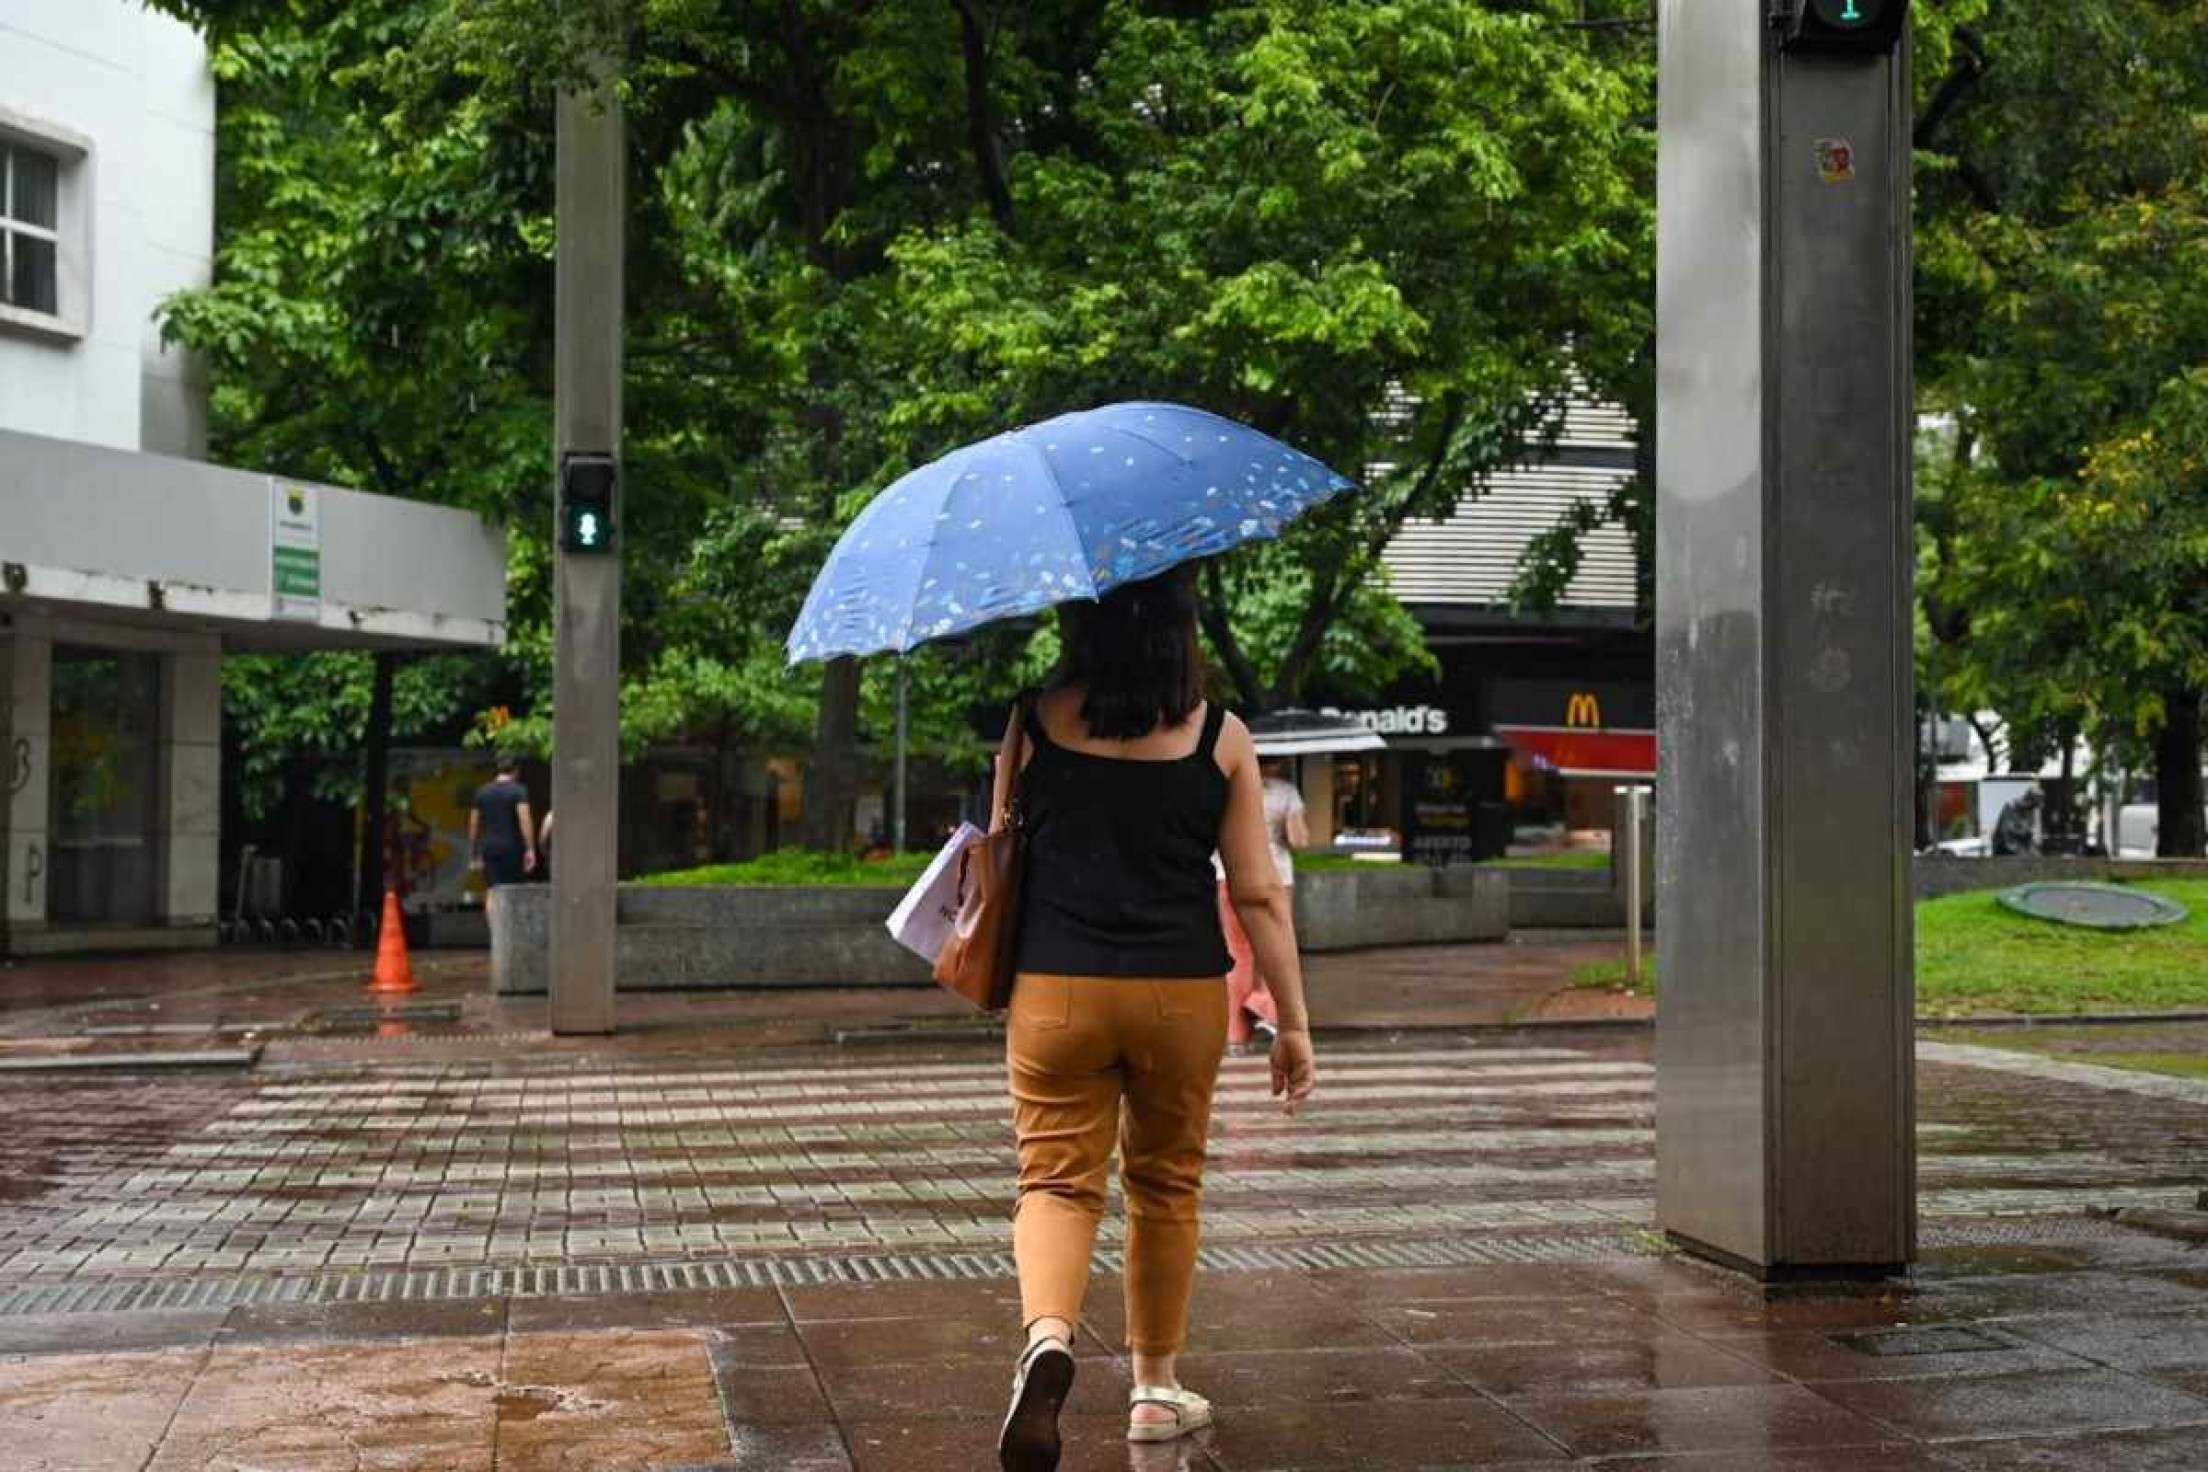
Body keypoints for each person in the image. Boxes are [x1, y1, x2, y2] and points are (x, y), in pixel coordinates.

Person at [992, 565, 1318, 1472]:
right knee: (1167, 1184)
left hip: (1056, 987)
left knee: (1056, 1180)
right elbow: (1257, 894)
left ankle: (1050, 1339)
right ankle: (1154, 1389)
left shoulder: (1033, 719)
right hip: (1182, 992)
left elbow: (1001, 852)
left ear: (1078, 624)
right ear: (1183, 627)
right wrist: (1291, 1022)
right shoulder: (1222, 736)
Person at [1220, 757, 1309, 1046]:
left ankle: (1235, 1031)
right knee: (1276, 946)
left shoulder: (1225, 787)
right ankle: (1264, 1005)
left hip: (1229, 874)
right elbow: (1298, 841)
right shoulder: (1286, 792)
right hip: (1275, 877)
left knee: (1237, 952)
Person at [468, 759, 537, 915]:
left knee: (492, 891)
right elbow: (524, 819)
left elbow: (474, 824)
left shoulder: (482, 792)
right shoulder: (518, 791)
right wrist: (530, 848)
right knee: (513, 890)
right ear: (516, 770)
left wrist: (473, 850)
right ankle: (510, 929)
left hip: (489, 847)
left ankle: (495, 932)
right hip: (512, 847)